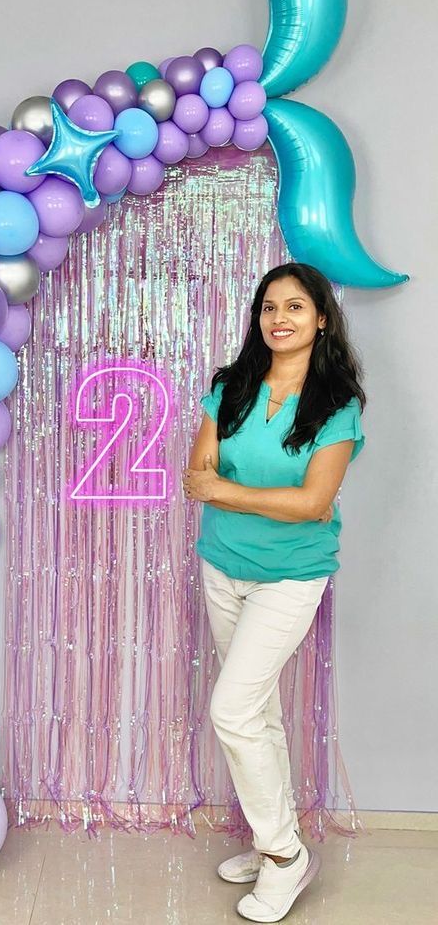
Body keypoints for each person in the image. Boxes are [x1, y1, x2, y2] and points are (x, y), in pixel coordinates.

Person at [182, 262, 366, 923]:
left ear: (320, 318)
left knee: (231, 709)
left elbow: (312, 503)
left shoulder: (336, 407)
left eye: (293, 306)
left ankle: (285, 858)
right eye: (267, 307)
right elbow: (194, 470)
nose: (278, 317)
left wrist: (227, 492)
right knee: (256, 714)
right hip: (222, 565)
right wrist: (248, 496)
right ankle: (273, 842)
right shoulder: (230, 388)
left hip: (290, 576)